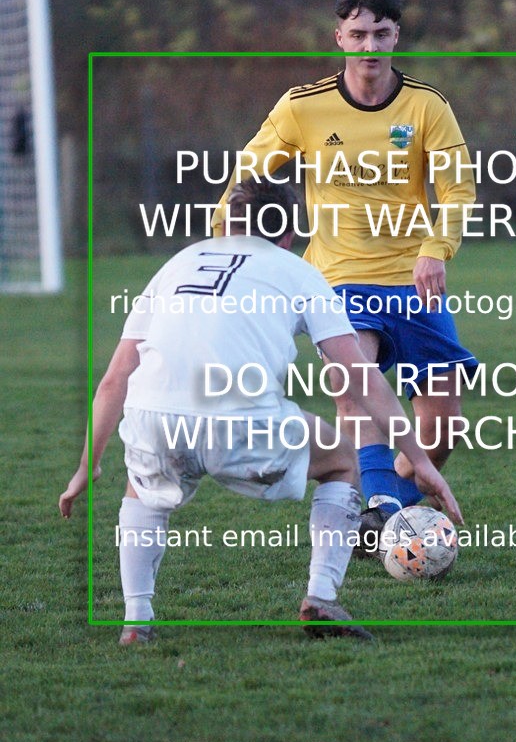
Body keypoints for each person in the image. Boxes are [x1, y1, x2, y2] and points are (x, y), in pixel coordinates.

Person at [59, 177, 464, 643]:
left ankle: (136, 620)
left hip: (154, 415)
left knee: (142, 485)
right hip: (238, 416)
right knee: (342, 461)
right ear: (288, 235)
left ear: (228, 223)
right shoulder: (298, 271)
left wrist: (87, 465)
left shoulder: (178, 263)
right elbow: (361, 376)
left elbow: (115, 378)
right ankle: (320, 597)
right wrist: (418, 458)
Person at [210, 0, 477, 552]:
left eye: (380, 33)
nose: (369, 45)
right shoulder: (302, 107)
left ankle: (390, 507)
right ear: (340, 38)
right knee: (355, 383)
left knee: (443, 426)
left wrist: (436, 248)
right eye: (357, 34)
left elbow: (459, 191)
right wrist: (224, 246)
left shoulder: (428, 106)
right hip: (335, 275)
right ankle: (378, 504)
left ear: (396, 36)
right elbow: (246, 180)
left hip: (412, 276)